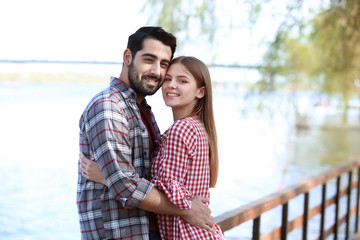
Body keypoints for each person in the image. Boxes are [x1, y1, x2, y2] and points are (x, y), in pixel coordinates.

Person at [77, 27, 214, 240]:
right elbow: (126, 186)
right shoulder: (110, 106)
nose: (157, 72)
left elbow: (151, 177)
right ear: (128, 57)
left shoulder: (142, 110)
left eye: (163, 64)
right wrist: (187, 208)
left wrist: (107, 177)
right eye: (149, 60)